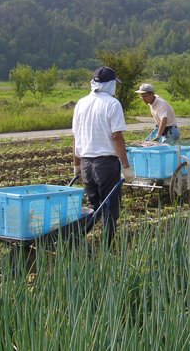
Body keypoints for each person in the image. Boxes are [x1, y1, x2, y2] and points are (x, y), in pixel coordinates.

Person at [72, 66, 135, 247]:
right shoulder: (112, 104)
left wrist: (76, 164)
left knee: (93, 207)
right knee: (108, 209)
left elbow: (75, 137)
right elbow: (117, 137)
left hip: (86, 164)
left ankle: (77, 240)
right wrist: (126, 167)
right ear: (110, 85)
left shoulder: (81, 103)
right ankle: (108, 248)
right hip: (105, 164)